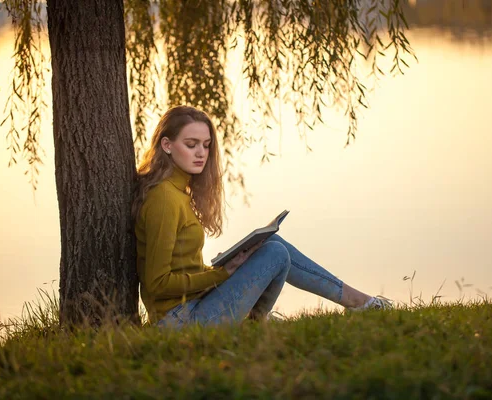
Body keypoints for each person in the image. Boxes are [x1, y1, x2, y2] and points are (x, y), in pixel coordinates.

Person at [132, 105, 393, 329]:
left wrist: (223, 266)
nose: (201, 153)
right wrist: (220, 275)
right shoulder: (165, 199)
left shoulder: (179, 192)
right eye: (191, 145)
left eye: (206, 145)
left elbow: (182, 268)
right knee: (276, 253)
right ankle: (356, 303)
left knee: (270, 245)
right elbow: (157, 284)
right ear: (166, 145)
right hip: (178, 321)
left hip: (193, 305)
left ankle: (355, 302)